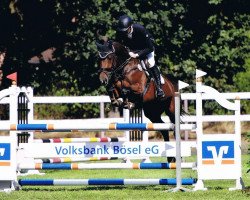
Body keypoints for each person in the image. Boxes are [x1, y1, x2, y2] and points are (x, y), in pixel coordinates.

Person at [115, 14, 165, 99]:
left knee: (150, 63)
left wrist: (137, 55)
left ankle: (159, 88)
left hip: (147, 49)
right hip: (133, 50)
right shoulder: (121, 31)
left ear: (130, 26)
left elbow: (150, 48)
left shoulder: (140, 29)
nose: (124, 33)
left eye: (125, 30)